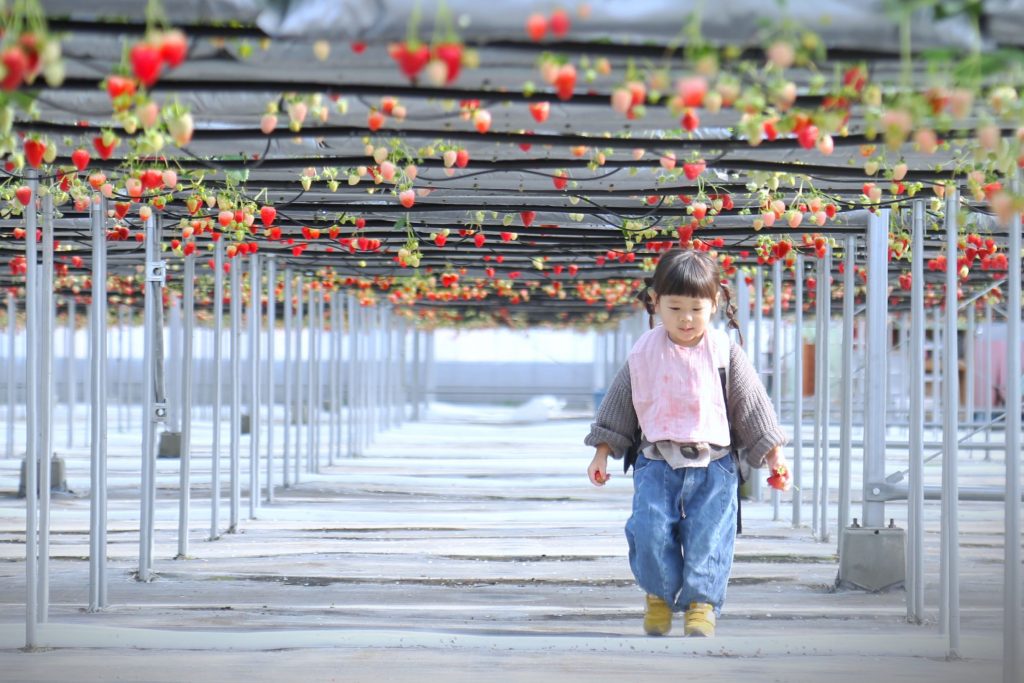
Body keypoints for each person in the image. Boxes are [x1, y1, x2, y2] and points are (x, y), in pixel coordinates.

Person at [585, 248, 789, 638]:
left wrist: (774, 454)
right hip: (655, 462)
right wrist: (603, 452)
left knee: (709, 536)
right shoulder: (643, 352)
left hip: (714, 465)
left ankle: (700, 605)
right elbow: (620, 404)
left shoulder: (725, 351)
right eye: (674, 308)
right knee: (649, 530)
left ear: (714, 304)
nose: (686, 319)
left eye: (696, 308)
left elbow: (753, 406)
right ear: (655, 303)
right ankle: (659, 597)